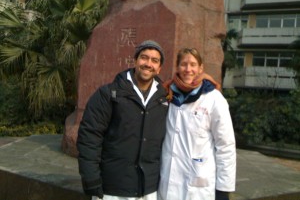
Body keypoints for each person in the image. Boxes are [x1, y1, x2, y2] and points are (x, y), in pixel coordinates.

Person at [76, 40, 169, 200]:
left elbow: (191, 82)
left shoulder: (164, 99)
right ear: (135, 60)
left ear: (159, 68)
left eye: (155, 60)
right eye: (144, 57)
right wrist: (91, 178)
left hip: (149, 189)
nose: (148, 64)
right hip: (113, 188)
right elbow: (89, 137)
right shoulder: (108, 94)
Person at [158, 48, 236, 200]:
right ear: (177, 67)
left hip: (198, 186)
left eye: (193, 64)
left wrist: (223, 189)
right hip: (167, 182)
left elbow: (225, 146)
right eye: (184, 64)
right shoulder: (166, 95)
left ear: (201, 68)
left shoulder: (214, 99)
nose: (188, 69)